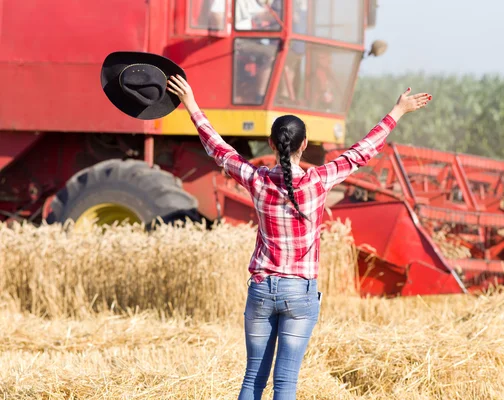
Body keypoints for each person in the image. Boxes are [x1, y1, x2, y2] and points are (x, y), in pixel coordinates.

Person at [166, 74, 431, 399]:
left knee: (252, 381)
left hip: (262, 291)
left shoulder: (257, 180)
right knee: (286, 385)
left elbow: (218, 149)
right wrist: (398, 111)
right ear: (304, 145)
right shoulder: (318, 181)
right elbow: (361, 152)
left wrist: (190, 102)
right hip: (300, 293)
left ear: (272, 144)